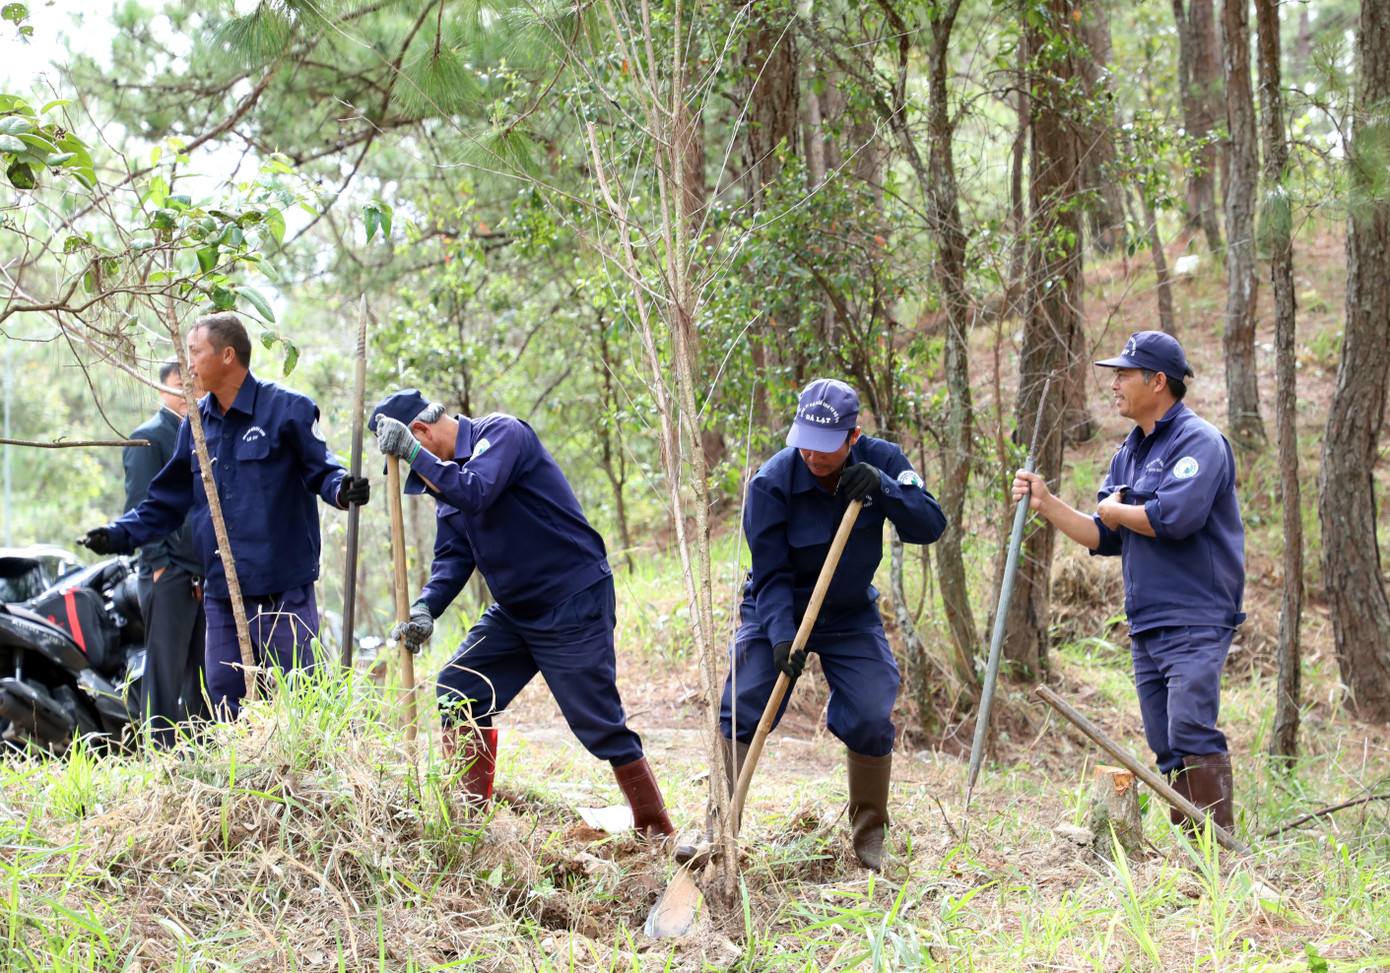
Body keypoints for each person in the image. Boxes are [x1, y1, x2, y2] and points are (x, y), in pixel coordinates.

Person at [369, 389, 674, 838]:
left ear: (420, 432)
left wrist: (414, 456)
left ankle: (655, 830)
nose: (423, 478)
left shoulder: (503, 434)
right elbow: (453, 557)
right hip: (516, 609)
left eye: (416, 460)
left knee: (598, 722)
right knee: (459, 688)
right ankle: (469, 828)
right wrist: (425, 609)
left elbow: (476, 492)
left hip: (572, 598)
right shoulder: (445, 480)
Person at [683, 378, 946, 870]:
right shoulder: (771, 483)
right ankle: (718, 830)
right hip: (776, 608)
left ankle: (869, 840)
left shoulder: (883, 459)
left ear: (853, 436)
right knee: (743, 702)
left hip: (849, 611)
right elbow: (771, 572)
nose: (812, 455)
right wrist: (781, 634)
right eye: (803, 442)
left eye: (825, 447)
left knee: (871, 713)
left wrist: (885, 490)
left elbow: (930, 525)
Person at [81, 312, 370, 719]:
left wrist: (343, 489)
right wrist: (118, 535)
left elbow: (323, 472)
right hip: (220, 593)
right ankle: (240, 780)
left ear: (228, 356)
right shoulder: (196, 425)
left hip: (281, 590)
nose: (189, 364)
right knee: (224, 697)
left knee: (297, 698)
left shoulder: (287, 409)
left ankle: (307, 777)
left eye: (195, 352)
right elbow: (166, 501)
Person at [1011, 330, 1245, 833]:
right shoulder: (1129, 452)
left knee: (1190, 727)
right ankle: (1193, 859)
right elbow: (1104, 535)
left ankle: (1220, 857)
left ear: (1158, 381)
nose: (1114, 384)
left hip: (1197, 615)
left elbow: (1173, 517)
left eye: (1124, 374)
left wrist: (1117, 508)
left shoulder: (1199, 441)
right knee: (1165, 741)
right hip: (1148, 621)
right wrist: (1047, 503)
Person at [122, 358, 208, 745]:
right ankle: (160, 759)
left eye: (196, 386)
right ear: (163, 390)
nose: (190, 394)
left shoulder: (203, 434)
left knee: (203, 673)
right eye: (180, 386)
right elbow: (139, 507)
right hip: (168, 571)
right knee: (164, 672)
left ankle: (200, 756)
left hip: (201, 572)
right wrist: (158, 564)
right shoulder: (148, 436)